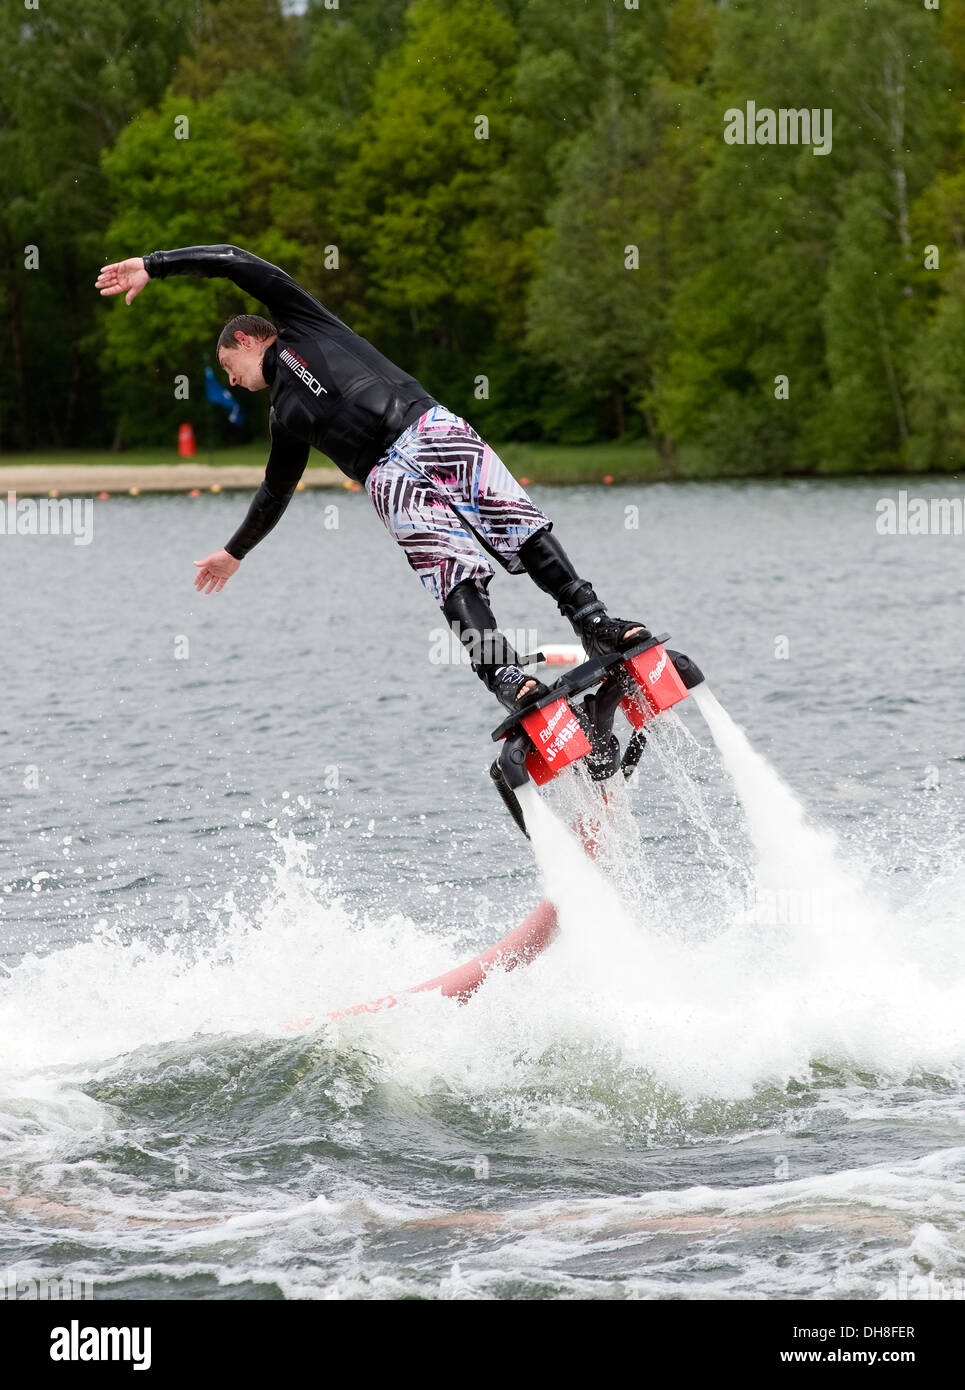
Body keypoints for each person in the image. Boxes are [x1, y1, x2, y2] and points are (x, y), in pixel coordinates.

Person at [95, 245, 649, 710]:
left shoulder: (303, 325)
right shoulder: (283, 418)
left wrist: (155, 264)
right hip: (389, 480)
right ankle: (504, 675)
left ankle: (592, 619)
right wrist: (234, 551)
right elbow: (275, 491)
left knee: (521, 525)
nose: (233, 383)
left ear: (245, 340)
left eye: (227, 368)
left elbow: (238, 262)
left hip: (432, 428)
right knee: (451, 575)